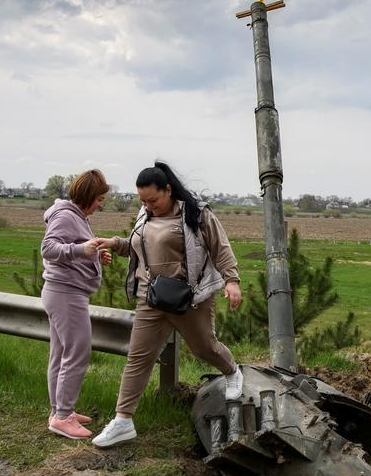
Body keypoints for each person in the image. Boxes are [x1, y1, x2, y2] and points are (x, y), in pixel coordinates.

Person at [93, 162, 243, 447]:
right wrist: (114, 243)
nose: (148, 206)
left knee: (204, 348)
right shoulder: (145, 214)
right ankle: (123, 421)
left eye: (153, 200)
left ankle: (232, 371)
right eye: (143, 201)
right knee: (138, 357)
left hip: (188, 298)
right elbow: (140, 248)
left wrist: (232, 280)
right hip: (150, 297)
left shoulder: (196, 213)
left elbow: (220, 247)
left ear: (169, 190)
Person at [40, 169, 113, 440]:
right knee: (77, 352)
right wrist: (82, 251)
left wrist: (94, 257)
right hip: (66, 294)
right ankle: (62, 417)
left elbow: (73, 246)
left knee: (60, 354)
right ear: (87, 196)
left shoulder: (75, 215)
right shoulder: (66, 215)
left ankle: (60, 411)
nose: (100, 204)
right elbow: (48, 249)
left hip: (63, 292)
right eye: (99, 199)